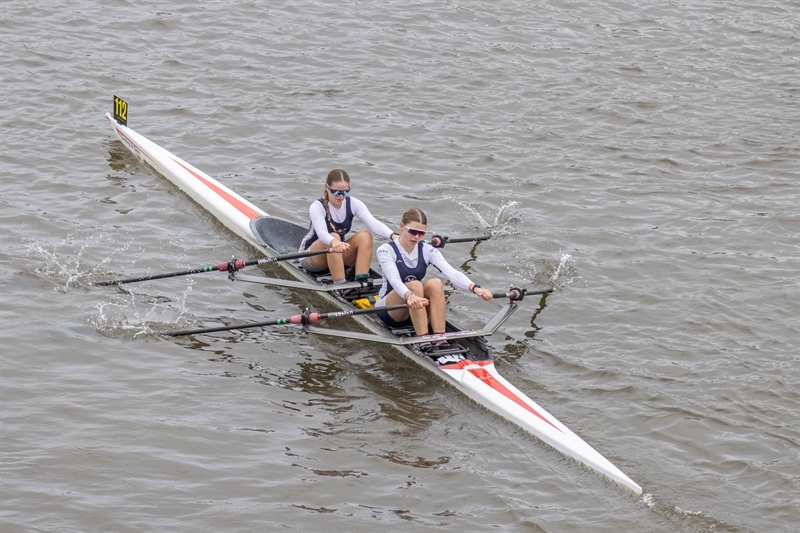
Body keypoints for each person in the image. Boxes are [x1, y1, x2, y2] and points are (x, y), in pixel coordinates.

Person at [375, 208, 493, 352]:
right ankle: (423, 340)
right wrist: (409, 295)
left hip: (415, 305)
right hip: (389, 311)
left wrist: (475, 288)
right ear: (401, 227)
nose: (417, 237)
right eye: (412, 231)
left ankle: (439, 338)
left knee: (436, 283)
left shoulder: (427, 250)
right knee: (415, 285)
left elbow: (451, 273)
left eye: (421, 233)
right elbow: (394, 279)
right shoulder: (386, 250)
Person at [299, 169, 399, 287]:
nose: (341, 196)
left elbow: (373, 223)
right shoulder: (317, 206)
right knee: (334, 236)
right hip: (312, 258)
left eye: (345, 192)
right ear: (326, 188)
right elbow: (321, 233)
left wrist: (393, 236)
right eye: (336, 192)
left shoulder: (353, 203)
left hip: (336, 256)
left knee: (365, 235)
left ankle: (362, 280)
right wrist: (334, 241)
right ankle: (341, 285)